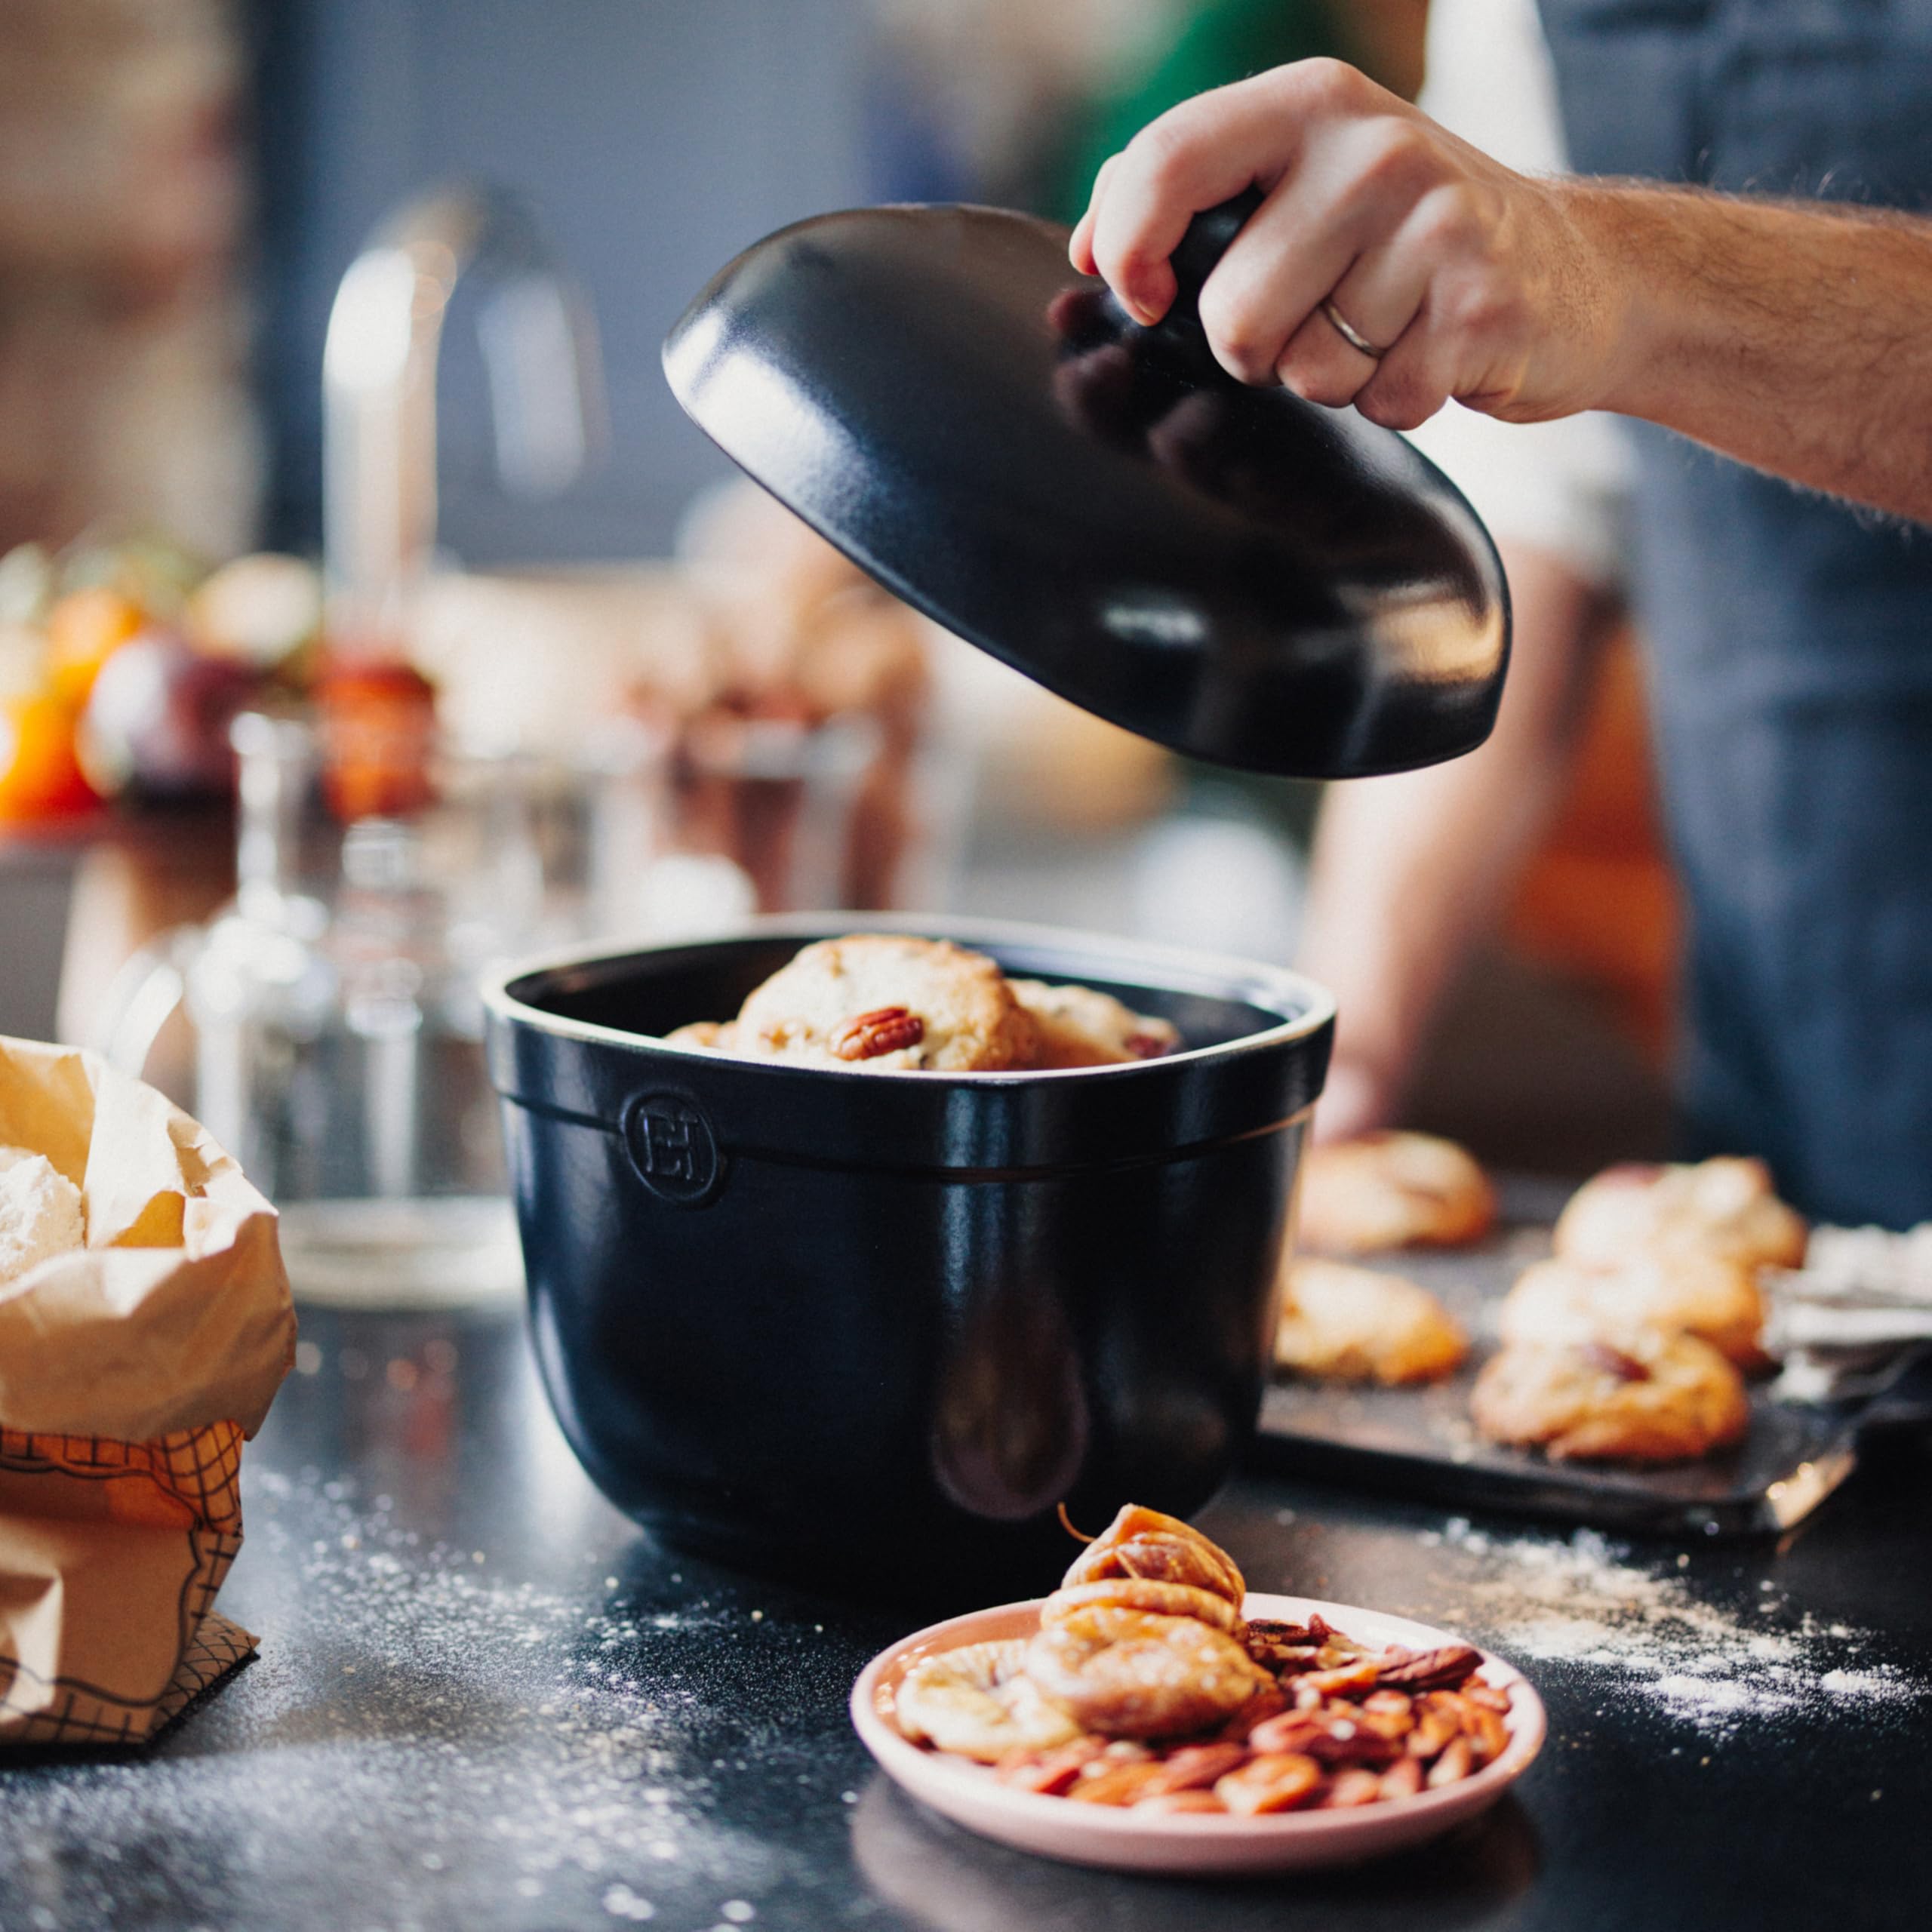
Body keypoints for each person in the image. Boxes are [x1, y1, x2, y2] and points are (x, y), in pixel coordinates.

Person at [1069, 2, 1932, 1229]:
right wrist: (1345, 1046)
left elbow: (1563, 280)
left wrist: (1612, 271)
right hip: (1791, 1057)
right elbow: (1532, 498)